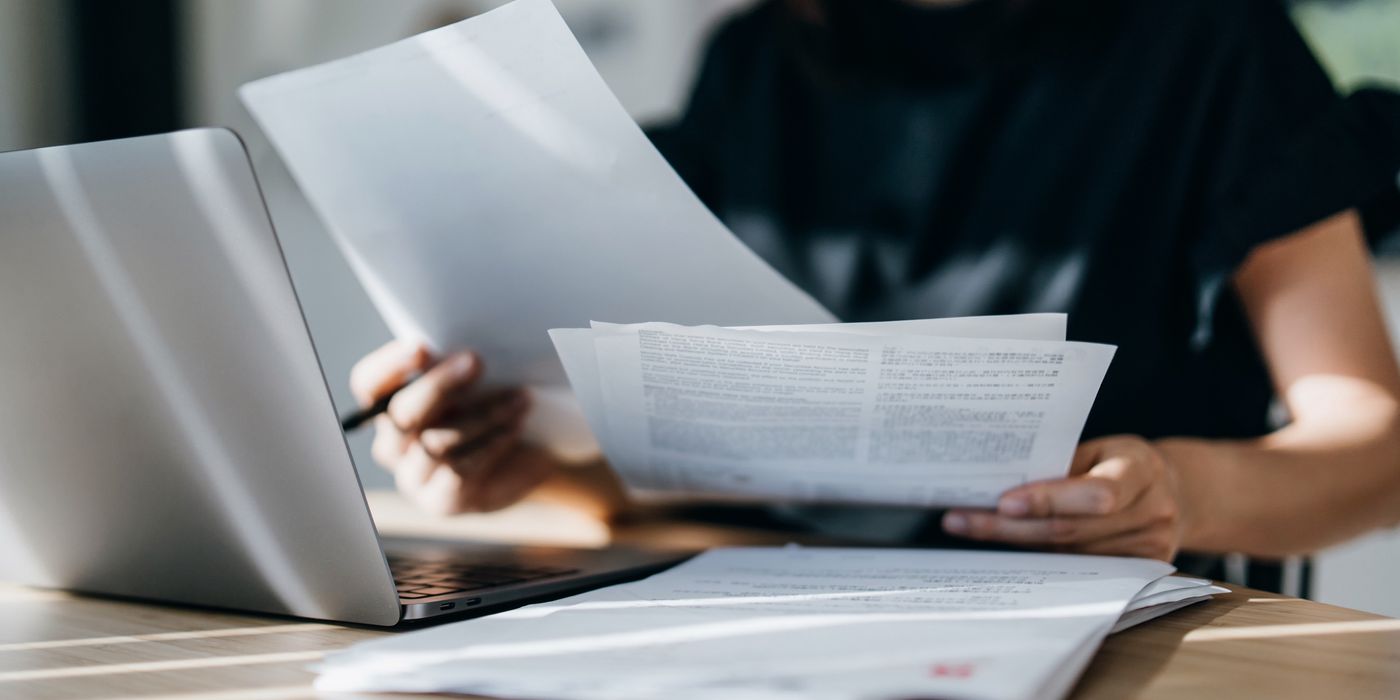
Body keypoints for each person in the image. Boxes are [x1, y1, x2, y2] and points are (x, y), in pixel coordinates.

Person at [349, 0, 1400, 582]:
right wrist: (518, 467)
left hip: (1106, 641)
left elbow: (1376, 447)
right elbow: (727, 475)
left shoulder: (1213, 46)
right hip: (778, 634)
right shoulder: (753, 65)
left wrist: (1177, 488)